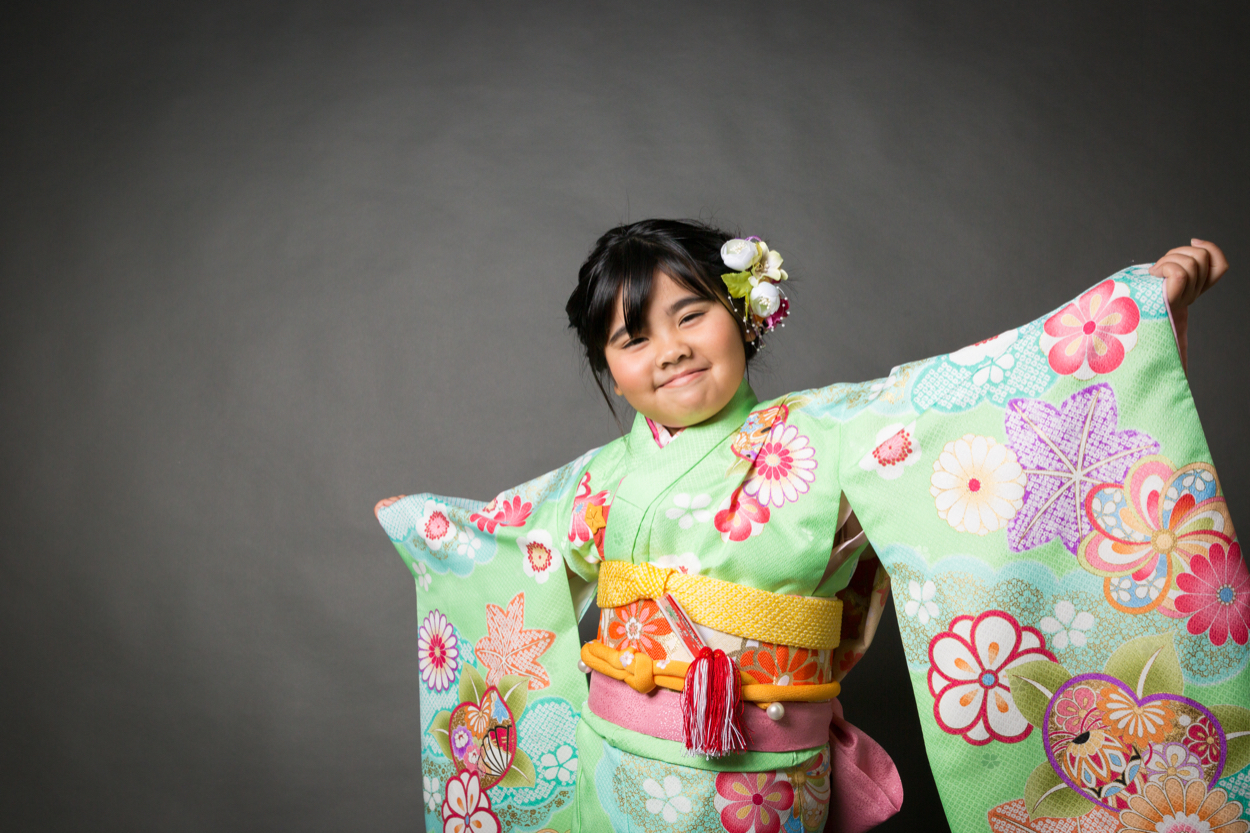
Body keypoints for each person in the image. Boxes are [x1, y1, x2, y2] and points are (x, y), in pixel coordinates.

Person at [377, 221, 1247, 833]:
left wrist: (1138, 313)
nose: (669, 348)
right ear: (609, 367)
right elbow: (501, 539)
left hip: (761, 781)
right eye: (632, 337)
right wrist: (428, 528)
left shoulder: (831, 429)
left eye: (690, 313)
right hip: (611, 765)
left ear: (742, 314)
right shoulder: (600, 478)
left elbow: (989, 399)